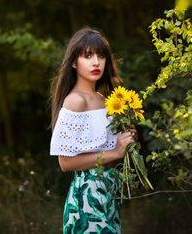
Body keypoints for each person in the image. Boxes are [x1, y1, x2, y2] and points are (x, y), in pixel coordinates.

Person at [49, 28, 137, 233]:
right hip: (87, 194)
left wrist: (127, 138)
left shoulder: (104, 100)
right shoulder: (75, 101)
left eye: (101, 55)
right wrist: (115, 151)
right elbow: (65, 162)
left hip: (109, 193)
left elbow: (111, 155)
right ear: (74, 62)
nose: (96, 62)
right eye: (88, 56)